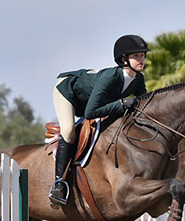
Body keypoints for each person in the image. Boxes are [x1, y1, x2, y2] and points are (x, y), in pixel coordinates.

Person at [49, 34, 150, 205]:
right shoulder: (110, 78)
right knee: (68, 130)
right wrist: (121, 105)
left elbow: (144, 104)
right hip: (68, 92)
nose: (142, 59)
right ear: (124, 59)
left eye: (143, 55)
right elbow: (90, 113)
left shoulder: (137, 79)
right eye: (137, 56)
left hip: (90, 100)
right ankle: (59, 182)